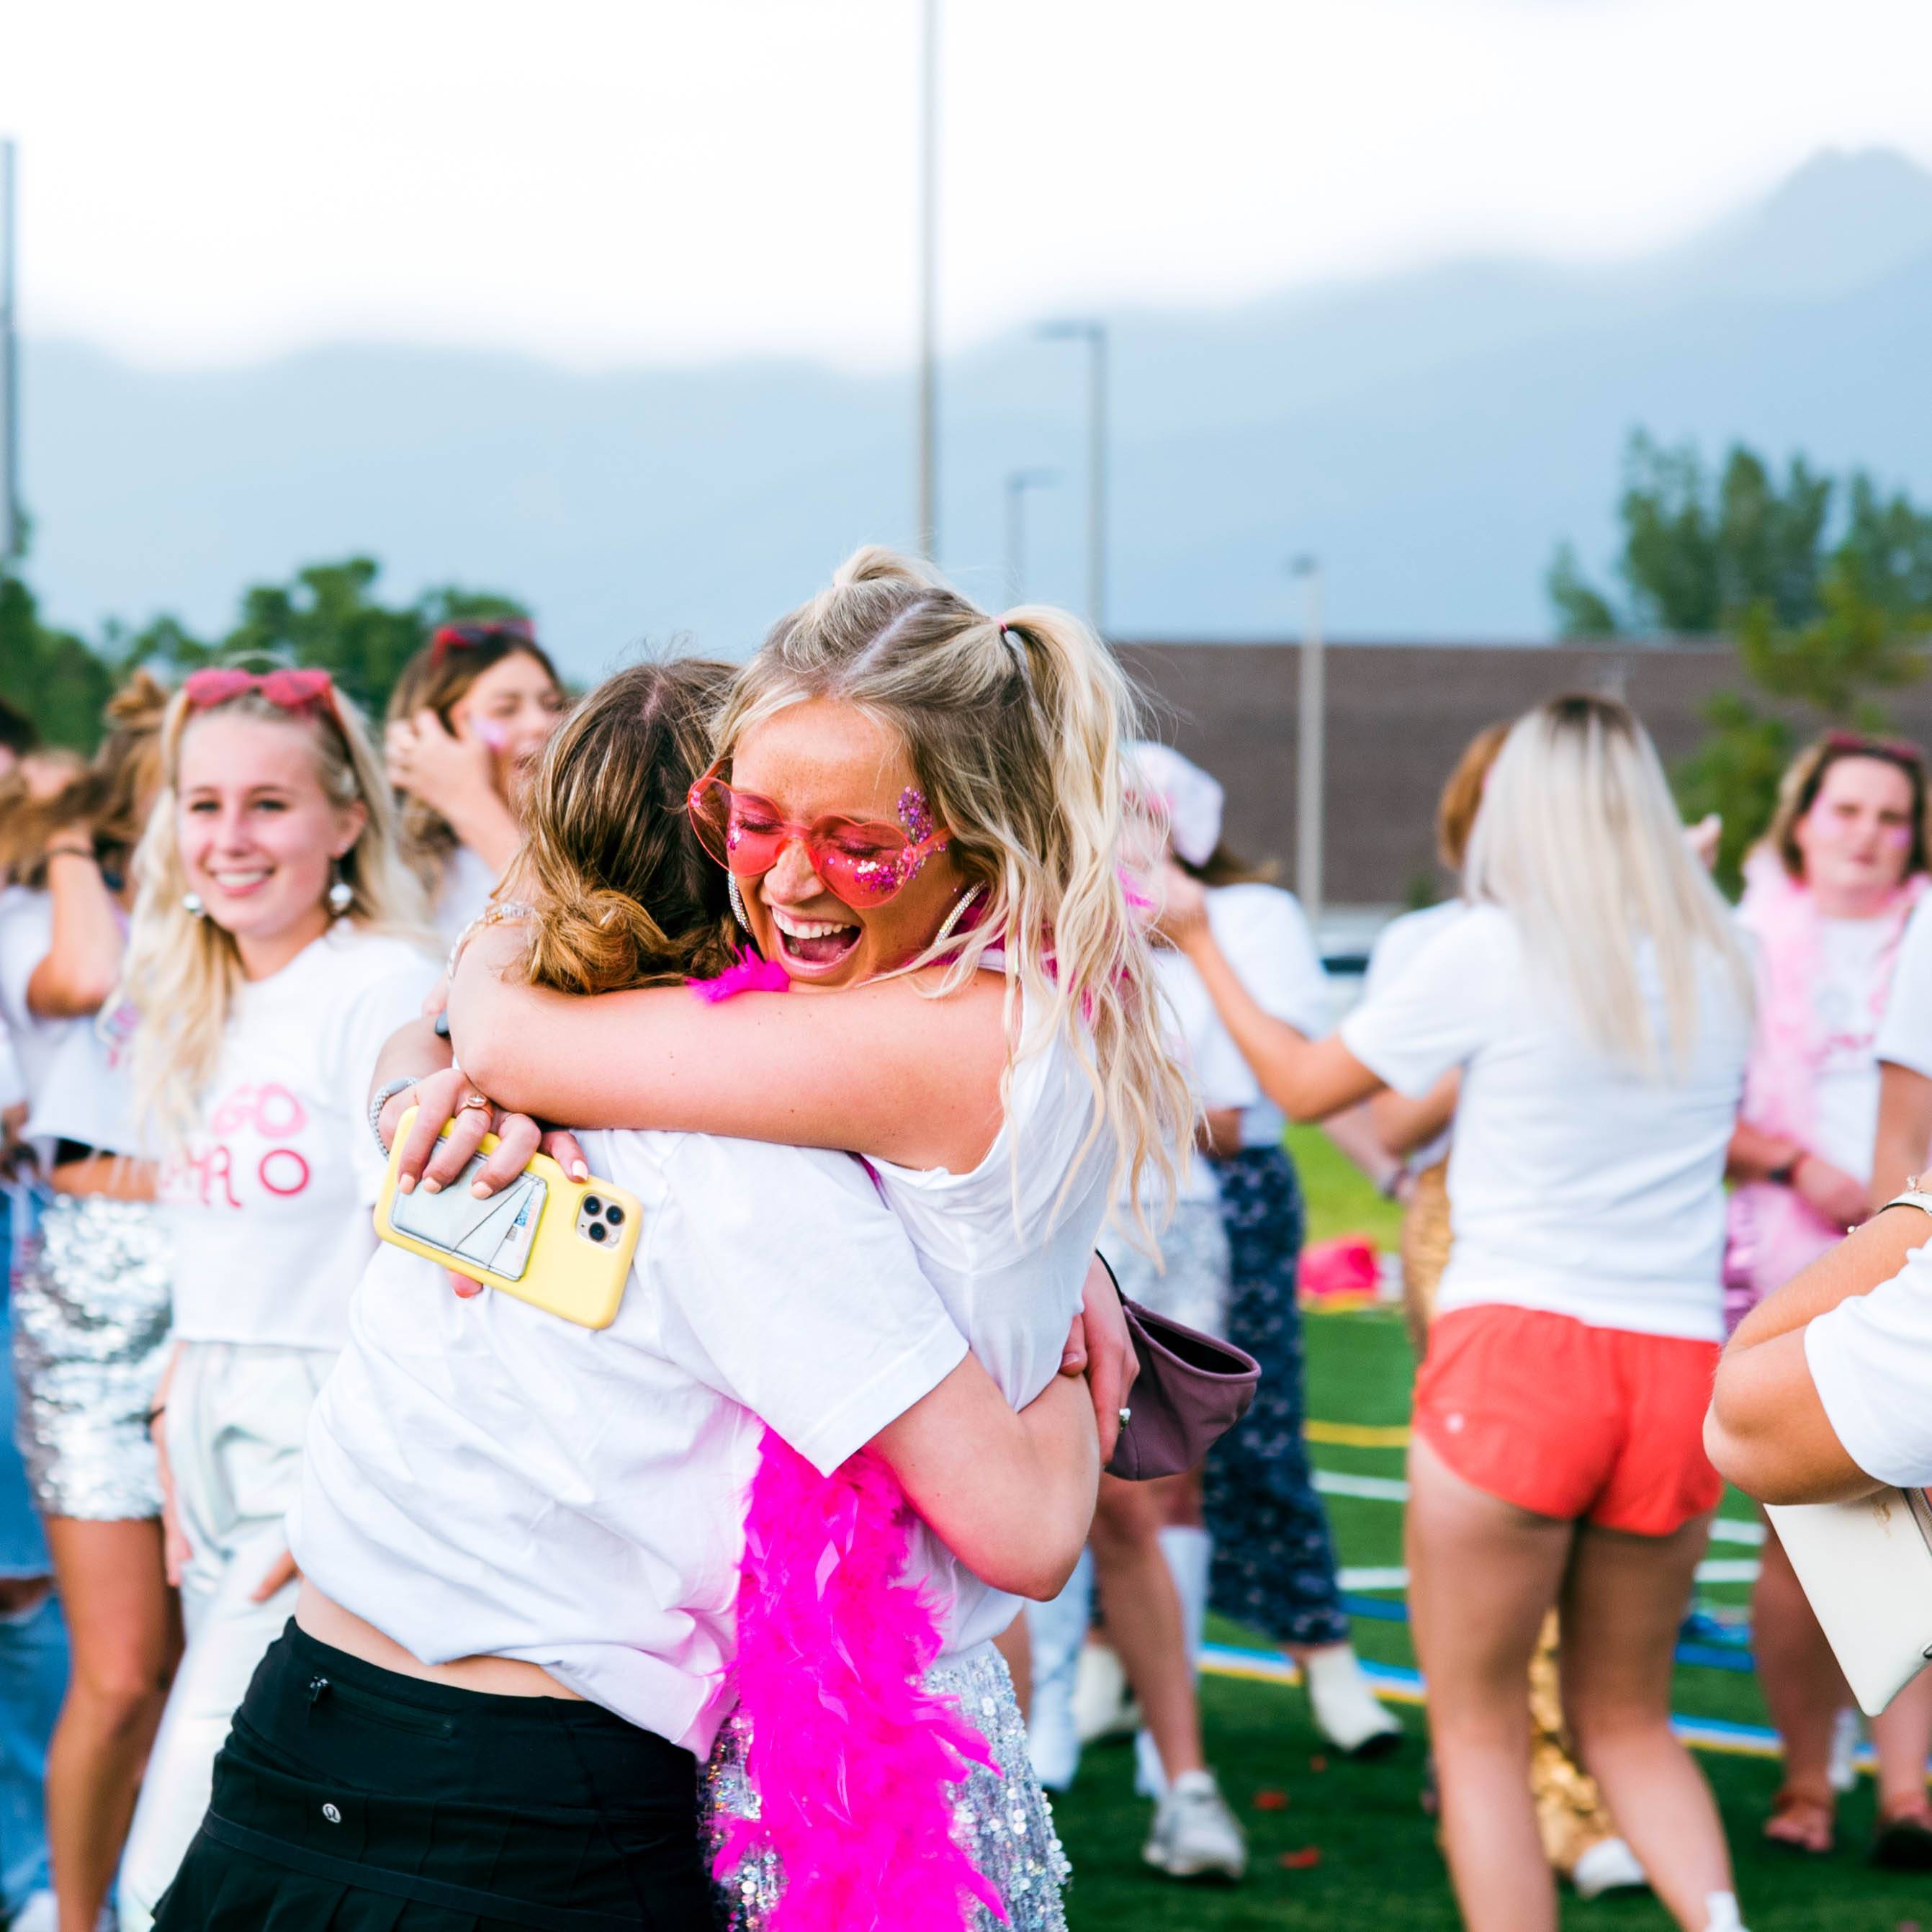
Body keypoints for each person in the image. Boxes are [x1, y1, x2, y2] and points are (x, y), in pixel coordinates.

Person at [153, 656, 1110, 1931]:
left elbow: (451, 1025)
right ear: (738, 859)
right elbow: (1025, 1530)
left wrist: (421, 1063)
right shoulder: (758, 1179)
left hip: (291, 1731)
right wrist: (1078, 1360)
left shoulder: (465, 1080)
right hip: (519, 1808)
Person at [409, 552, 1231, 1902]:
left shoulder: (936, 1035)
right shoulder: (973, 994)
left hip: (862, 1768)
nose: (789, 882)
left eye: (861, 841)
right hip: (848, 1709)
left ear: (981, 827)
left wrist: (516, 872)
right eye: (746, 822)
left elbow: (506, 1031)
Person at [1160, 693, 1755, 1932]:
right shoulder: (1721, 951)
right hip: (1678, 1366)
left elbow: (1309, 1085)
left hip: (1519, 1351)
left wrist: (1202, 939)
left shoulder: (1489, 949)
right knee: (1631, 1720)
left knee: (1477, 1728)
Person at [113, 668, 437, 1928]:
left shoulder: (383, 985)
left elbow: (411, 1242)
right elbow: (210, 1240)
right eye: (205, 804)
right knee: (278, 1796)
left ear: (346, 819)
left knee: (191, 1810)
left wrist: (341, 1467)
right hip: (208, 1410)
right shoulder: (197, 989)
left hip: (325, 1417)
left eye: (269, 804)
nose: (231, 839)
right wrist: (169, 1406)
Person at [1367, 721, 1645, 1901]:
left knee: (1588, 1537)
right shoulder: (1443, 943)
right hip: (1468, 1235)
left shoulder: (1640, 941)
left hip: (1605, 1251)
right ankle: (1522, 1774)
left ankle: (1553, 1766)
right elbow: (1378, 1121)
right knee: (1491, 1513)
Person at [1719, 730, 1932, 1864]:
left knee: (1918, 1520)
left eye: (1890, 816)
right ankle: (1807, 1774)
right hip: (1790, 1252)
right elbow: (1696, 1104)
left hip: (1914, 1252)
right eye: (1845, 810)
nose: (1866, 834)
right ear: (1800, 819)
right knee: (1799, 1532)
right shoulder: (1741, 943)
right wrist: (1796, 1166)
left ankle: (1905, 1788)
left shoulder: (1926, 930)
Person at [0, 674, 175, 1932]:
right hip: (94, 1274)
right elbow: (87, 970)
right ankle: (66, 1905)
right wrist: (67, 834)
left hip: (226, 1281)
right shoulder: (41, 916)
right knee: (97, 1648)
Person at [384, 615, 567, 941]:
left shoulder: (591, 844)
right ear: (442, 732)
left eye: (553, 705)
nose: (542, 723)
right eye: (506, 709)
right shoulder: (402, 876)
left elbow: (576, 932)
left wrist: (468, 800)